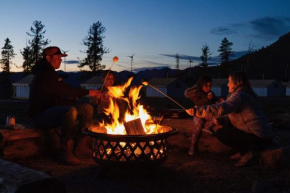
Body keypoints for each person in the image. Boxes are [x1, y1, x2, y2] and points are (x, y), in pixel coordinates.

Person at [28, 46, 100, 166]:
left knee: (87, 108)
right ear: (48, 58)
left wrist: (71, 98)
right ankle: (65, 150)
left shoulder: (50, 73)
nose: (61, 60)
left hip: (51, 110)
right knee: (70, 111)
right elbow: (63, 89)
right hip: (40, 115)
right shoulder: (45, 73)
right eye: (58, 57)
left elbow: (56, 94)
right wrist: (88, 92)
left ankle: (80, 146)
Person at [186, 72, 275, 166]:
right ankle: (242, 151)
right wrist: (222, 120)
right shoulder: (245, 93)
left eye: (229, 81)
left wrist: (197, 111)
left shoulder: (239, 95)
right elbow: (239, 116)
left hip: (259, 138)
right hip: (264, 136)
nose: (227, 84)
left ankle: (246, 154)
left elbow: (221, 108)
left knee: (221, 133)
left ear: (237, 83)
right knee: (226, 126)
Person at [184, 75, 217, 156]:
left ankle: (207, 127)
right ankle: (192, 147)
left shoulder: (211, 93)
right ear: (202, 85)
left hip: (208, 113)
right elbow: (197, 103)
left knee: (217, 120)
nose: (209, 88)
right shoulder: (196, 93)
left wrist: (218, 100)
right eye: (207, 86)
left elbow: (215, 101)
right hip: (198, 113)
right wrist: (207, 99)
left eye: (210, 86)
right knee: (198, 127)